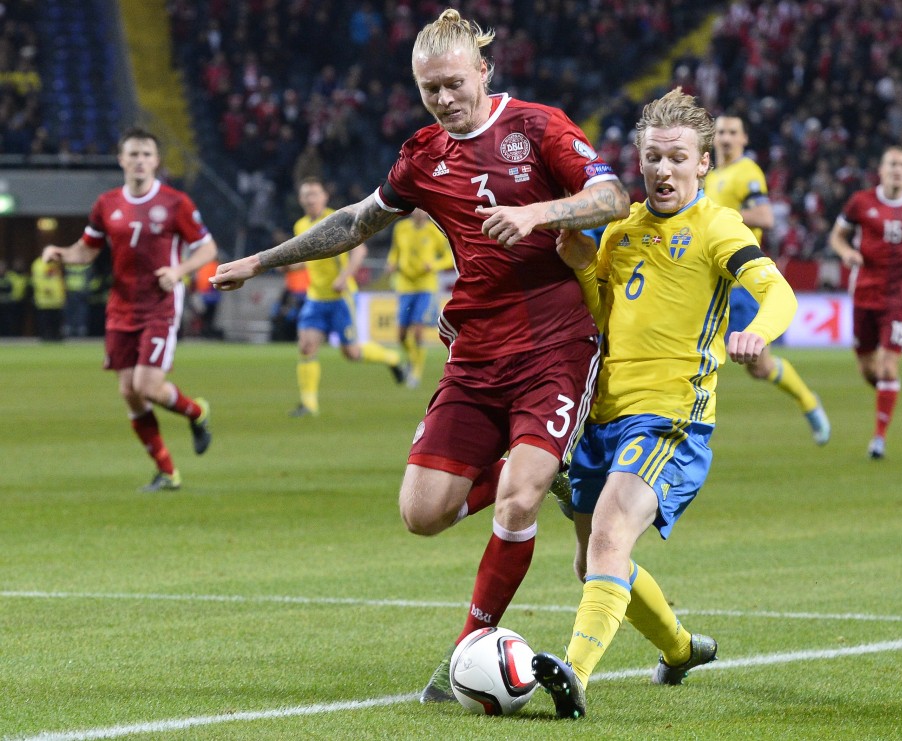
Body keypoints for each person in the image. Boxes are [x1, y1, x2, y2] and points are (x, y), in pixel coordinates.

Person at [211, 8, 629, 703]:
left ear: (483, 72)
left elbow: (612, 195)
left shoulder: (539, 127)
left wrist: (536, 214)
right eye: (428, 87)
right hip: (474, 352)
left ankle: (468, 645)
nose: (442, 97)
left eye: (453, 83)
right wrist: (261, 259)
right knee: (423, 513)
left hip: (557, 344)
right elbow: (356, 221)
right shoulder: (424, 155)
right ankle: (546, 468)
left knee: (518, 497)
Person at [530, 89, 798, 720]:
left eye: (678, 157)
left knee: (608, 537)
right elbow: (604, 317)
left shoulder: (719, 227)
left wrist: (761, 329)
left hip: (671, 417)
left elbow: (776, 289)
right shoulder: (620, 232)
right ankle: (679, 649)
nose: (663, 170)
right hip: (600, 418)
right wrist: (580, 269)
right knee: (594, 559)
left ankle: (576, 677)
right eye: (653, 157)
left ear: (703, 163)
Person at [41, 127, 216, 491]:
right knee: (129, 392)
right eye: (132, 154)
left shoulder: (175, 203)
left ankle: (196, 412)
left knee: (147, 385)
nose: (139, 160)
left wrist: (179, 270)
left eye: (146, 154)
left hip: (160, 305)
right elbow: (86, 251)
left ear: (156, 161)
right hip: (120, 308)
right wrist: (61, 254)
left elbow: (207, 249)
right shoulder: (107, 204)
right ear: (121, 159)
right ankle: (167, 472)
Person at [704, 113, 830, 445]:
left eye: (733, 132)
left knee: (759, 367)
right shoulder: (710, 176)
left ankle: (808, 401)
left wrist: (721, 215)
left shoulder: (747, 172)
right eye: (721, 132)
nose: (726, 137)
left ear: (744, 139)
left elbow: (765, 216)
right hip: (707, 280)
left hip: (741, 281)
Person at [829, 145, 902, 460]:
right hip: (865, 291)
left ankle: (879, 438)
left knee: (888, 367)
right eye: (892, 164)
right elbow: (837, 235)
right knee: (868, 368)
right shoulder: (860, 202)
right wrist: (846, 252)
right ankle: (889, 394)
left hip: (901, 295)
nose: (897, 170)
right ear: (881, 169)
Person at [288, 176, 408, 417]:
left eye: (314, 194)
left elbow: (359, 252)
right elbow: (311, 258)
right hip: (315, 297)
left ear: (324, 197)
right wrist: (289, 265)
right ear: (301, 200)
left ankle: (392, 358)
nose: (310, 199)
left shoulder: (337, 219)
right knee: (306, 346)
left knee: (351, 353)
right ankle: (309, 405)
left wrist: (344, 277)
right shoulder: (300, 225)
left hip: (341, 297)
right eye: (306, 195)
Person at [385, 207, 454, 388]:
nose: (417, 212)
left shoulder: (434, 231)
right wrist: (391, 263)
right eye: (414, 209)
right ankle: (411, 359)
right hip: (405, 285)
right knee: (400, 335)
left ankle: (415, 370)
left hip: (426, 286)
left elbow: (449, 256)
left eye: (421, 209)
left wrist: (435, 264)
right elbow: (395, 251)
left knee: (417, 331)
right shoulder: (401, 229)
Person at [30, 254, 65, 341]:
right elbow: (37, 280)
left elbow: (58, 280)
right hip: (44, 299)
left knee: (56, 319)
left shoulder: (55, 264)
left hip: (57, 299)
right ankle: (45, 336)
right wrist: (46, 289)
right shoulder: (38, 264)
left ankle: (56, 335)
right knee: (44, 319)